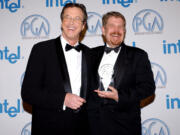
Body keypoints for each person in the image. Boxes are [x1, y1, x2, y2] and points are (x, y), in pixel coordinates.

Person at [21, 3, 90, 135]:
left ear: (83, 25)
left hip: (82, 129)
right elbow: (28, 93)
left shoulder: (90, 54)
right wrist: (63, 99)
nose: (71, 22)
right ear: (61, 22)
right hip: (49, 127)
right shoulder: (41, 50)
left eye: (77, 19)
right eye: (67, 17)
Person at [87, 11, 156, 135]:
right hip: (93, 125)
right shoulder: (90, 55)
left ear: (124, 30)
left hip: (125, 126)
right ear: (103, 30)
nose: (116, 30)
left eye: (120, 26)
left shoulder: (138, 55)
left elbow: (148, 88)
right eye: (112, 26)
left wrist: (119, 96)